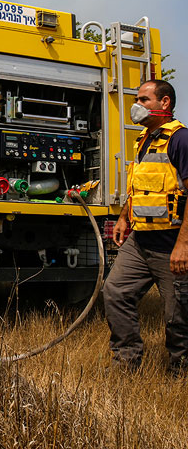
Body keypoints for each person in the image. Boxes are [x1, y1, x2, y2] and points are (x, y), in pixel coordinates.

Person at [103, 79, 188, 375]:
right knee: (115, 292)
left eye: (143, 99)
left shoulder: (181, 140)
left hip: (172, 245)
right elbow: (141, 187)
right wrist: (125, 217)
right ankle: (125, 364)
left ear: (164, 103)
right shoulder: (144, 138)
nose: (136, 105)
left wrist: (183, 245)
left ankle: (180, 373)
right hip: (140, 242)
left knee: (177, 315)